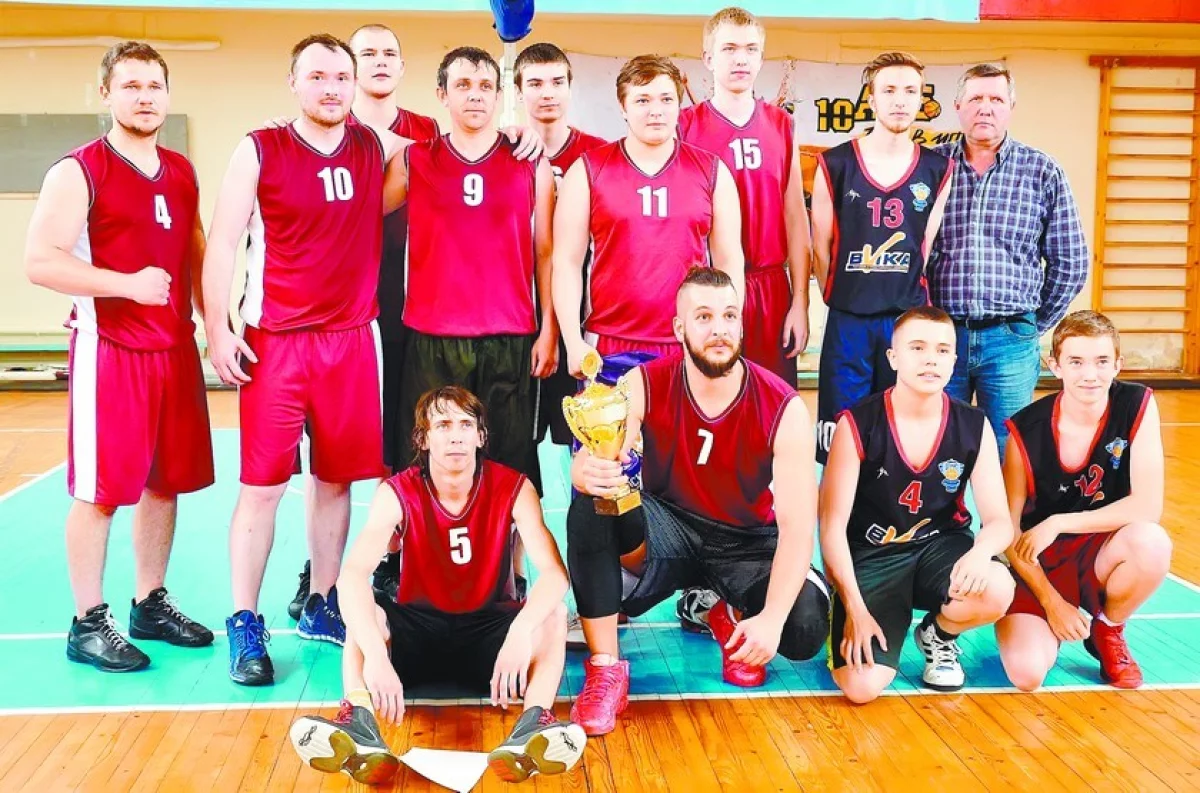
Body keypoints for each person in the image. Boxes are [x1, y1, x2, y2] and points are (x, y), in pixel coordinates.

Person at [203, 34, 415, 685]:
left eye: (340, 77)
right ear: (293, 82)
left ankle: (323, 602)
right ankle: (245, 620)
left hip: (351, 341)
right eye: (317, 76)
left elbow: (449, 148)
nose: (331, 87)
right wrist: (217, 329)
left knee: (336, 482)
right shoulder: (260, 148)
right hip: (277, 341)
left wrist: (517, 135)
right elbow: (223, 242)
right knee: (262, 488)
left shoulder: (373, 146)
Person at [567, 267, 830, 736]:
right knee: (592, 502)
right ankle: (606, 669)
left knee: (804, 628)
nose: (719, 329)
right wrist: (585, 471)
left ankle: (724, 611)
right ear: (679, 328)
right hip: (666, 528)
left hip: (745, 541)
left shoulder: (783, 406)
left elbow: (796, 529)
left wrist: (771, 620)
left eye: (729, 316)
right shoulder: (644, 382)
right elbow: (596, 455)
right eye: (704, 317)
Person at [24, 41, 214, 673]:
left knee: (166, 481)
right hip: (111, 349)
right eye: (131, 86)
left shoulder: (181, 171)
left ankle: (149, 603)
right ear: (106, 94)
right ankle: (87, 622)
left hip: (174, 348)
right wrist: (126, 284)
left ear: (168, 94)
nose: (145, 97)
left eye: (154, 86)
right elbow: (40, 261)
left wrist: (216, 323)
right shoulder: (79, 170)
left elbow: (194, 247)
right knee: (101, 492)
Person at [288, 387, 585, 786]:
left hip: (489, 632)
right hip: (418, 631)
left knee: (553, 614)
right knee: (364, 609)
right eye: (443, 425)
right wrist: (376, 656)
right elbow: (353, 575)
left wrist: (519, 631)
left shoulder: (514, 487)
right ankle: (359, 720)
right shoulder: (398, 491)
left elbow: (554, 574)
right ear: (423, 438)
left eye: (465, 425)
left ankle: (533, 723)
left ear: (481, 436)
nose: (456, 436)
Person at [286, 22, 442, 622]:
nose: (379, 61)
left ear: (402, 68)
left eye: (389, 53)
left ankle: (393, 559)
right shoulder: (322, 130)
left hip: (412, 311)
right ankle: (320, 571)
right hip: (336, 316)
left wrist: (517, 132)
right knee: (330, 457)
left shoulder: (428, 131)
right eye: (366, 53)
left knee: (402, 444)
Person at [820, 306, 1014, 701]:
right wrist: (855, 608)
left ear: (954, 360)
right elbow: (831, 527)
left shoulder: (973, 424)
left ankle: (938, 634)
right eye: (918, 348)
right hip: (873, 555)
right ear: (893, 358)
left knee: (996, 586)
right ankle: (842, 614)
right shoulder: (857, 424)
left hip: (940, 548)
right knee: (861, 688)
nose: (931, 359)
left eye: (942, 350)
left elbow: (999, 520)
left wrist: (981, 554)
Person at [392, 47, 557, 495]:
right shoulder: (414, 160)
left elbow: (545, 252)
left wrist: (549, 330)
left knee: (509, 465)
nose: (475, 95)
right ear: (442, 94)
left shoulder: (530, 162)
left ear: (499, 96)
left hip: (509, 335)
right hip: (433, 336)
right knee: (427, 463)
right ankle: (418, 539)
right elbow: (359, 211)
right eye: (463, 85)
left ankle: (511, 545)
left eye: (485, 86)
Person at [997, 311, 1171, 691]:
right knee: (1026, 674)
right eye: (1076, 362)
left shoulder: (1136, 404)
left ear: (1118, 364)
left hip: (1098, 550)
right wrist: (1051, 601)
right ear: (1055, 365)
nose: (1090, 374)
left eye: (1102, 361)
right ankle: (1042, 622)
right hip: (1038, 560)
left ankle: (1107, 628)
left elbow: (1147, 507)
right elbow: (1007, 532)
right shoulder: (1025, 430)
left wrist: (1058, 522)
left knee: (1152, 543)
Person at [928, 63, 1088, 457]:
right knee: (940, 446)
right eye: (975, 99)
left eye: (996, 99)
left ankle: (1007, 508)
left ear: (1011, 108)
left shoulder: (1042, 171)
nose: (985, 108)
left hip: (1010, 341)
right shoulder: (930, 168)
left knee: (1009, 450)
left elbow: (1071, 262)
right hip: (940, 338)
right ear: (957, 106)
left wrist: (1031, 324)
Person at [553, 54, 744, 379]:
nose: (656, 110)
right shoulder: (588, 170)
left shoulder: (712, 172)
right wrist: (572, 341)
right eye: (642, 100)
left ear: (678, 106)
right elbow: (566, 262)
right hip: (609, 344)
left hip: (689, 342)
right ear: (623, 106)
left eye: (666, 99)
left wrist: (728, 332)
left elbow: (729, 261)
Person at [810, 51, 953, 464]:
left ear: (921, 99)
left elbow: (924, 247)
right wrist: (848, 292)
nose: (900, 100)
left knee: (899, 437)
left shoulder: (937, 168)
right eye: (889, 90)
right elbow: (820, 249)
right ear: (870, 99)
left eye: (910, 91)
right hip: (849, 319)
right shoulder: (835, 163)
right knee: (840, 437)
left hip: (906, 320)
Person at [679, 6, 812, 384]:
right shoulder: (685, 126)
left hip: (770, 288)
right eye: (729, 49)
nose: (741, 59)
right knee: (710, 398)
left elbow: (795, 218)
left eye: (751, 49)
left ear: (761, 57)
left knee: (771, 400)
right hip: (709, 288)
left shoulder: (781, 124)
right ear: (708, 58)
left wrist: (800, 302)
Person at [515, 42, 607, 457]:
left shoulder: (599, 155)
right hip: (519, 310)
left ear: (571, 88)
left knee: (587, 436)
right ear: (519, 91)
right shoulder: (505, 151)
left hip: (582, 309)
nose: (547, 93)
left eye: (556, 82)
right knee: (520, 437)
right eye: (535, 84)